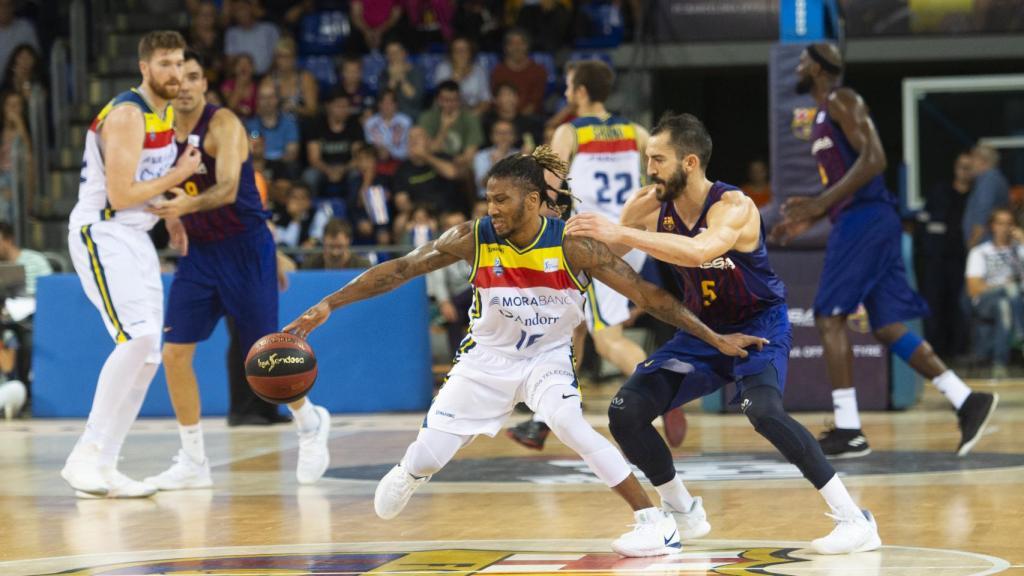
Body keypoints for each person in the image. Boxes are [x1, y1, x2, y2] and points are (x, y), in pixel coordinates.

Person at [284, 146, 765, 557]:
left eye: (501, 199)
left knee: (571, 424)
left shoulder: (574, 246)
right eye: (488, 198)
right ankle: (412, 471)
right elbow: (402, 268)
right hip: (484, 361)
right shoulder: (473, 237)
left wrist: (716, 338)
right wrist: (328, 303)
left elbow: (649, 295)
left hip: (547, 358)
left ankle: (653, 520)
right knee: (427, 456)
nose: (491, 207)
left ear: (533, 201)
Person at [568, 111, 880, 555]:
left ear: (689, 162)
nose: (649, 168)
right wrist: (556, 235)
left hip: (758, 324)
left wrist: (621, 232)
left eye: (658, 159)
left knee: (764, 412)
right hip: (701, 330)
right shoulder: (645, 204)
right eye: (648, 158)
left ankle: (855, 519)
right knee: (626, 410)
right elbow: (604, 255)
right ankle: (682, 512)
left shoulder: (734, 206)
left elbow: (700, 252)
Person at [771, 43, 998, 458]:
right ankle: (966, 399)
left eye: (804, 61)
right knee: (888, 326)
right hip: (863, 218)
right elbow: (848, 182)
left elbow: (874, 161)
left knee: (828, 316)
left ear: (818, 68)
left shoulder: (843, 99)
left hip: (867, 219)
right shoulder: (824, 113)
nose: (798, 68)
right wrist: (809, 216)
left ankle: (849, 429)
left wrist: (820, 204)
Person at [141, 50, 331, 490]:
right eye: (177, 77)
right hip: (200, 255)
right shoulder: (162, 129)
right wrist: (173, 217)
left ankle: (309, 423)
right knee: (174, 353)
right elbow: (167, 181)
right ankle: (193, 460)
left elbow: (227, 188)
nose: (183, 84)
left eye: (193, 76)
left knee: (267, 356)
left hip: (245, 251)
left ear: (206, 84)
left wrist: (183, 206)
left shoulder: (223, 124)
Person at [507, 60, 687, 450]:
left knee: (607, 339)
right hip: (633, 236)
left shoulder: (569, 132)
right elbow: (669, 173)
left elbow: (549, 189)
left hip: (596, 244)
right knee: (571, 326)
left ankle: (664, 391)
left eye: (570, 86)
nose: (567, 93)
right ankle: (543, 422)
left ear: (583, 91)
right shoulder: (635, 131)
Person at [61, 31, 200, 499]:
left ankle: (106, 463)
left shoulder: (162, 114)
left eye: (180, 63)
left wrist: (174, 209)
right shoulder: (126, 113)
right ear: (144, 68)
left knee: (148, 354)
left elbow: (145, 184)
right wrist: (179, 176)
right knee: (137, 336)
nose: (175, 73)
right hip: (102, 230)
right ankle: (84, 454)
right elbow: (120, 195)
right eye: (165, 64)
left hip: (135, 234)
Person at [918, 152, 973, 357]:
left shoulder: (975, 197)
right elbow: (923, 222)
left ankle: (958, 351)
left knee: (958, 306)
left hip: (962, 261)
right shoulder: (940, 191)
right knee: (934, 304)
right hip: (936, 260)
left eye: (968, 167)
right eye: (961, 166)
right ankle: (933, 351)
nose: (964, 171)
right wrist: (928, 250)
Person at [965, 208, 1024, 378]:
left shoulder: (1019, 250)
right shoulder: (980, 252)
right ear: (992, 226)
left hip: (1013, 301)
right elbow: (973, 289)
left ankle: (1000, 363)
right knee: (1009, 289)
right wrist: (1002, 286)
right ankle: (1021, 334)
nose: (1004, 228)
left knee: (1005, 304)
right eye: (1000, 223)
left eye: (1009, 224)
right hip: (985, 301)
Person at [489, 29, 547, 116]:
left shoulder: (538, 71)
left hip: (529, 118)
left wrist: (519, 119)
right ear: (506, 47)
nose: (516, 48)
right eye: (512, 44)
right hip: (502, 117)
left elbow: (535, 102)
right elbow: (495, 100)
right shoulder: (498, 71)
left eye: (521, 44)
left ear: (527, 46)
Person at [963, 144, 1010, 249]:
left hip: (984, 246)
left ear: (982, 161)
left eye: (973, 159)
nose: (970, 164)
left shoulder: (988, 180)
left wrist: (972, 244)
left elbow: (982, 215)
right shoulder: (995, 178)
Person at [434, 37, 492, 116]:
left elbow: (486, 100)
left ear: (470, 52)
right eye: (457, 50)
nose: (461, 53)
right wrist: (458, 74)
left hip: (473, 109)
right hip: (447, 108)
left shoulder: (479, 71)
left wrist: (473, 114)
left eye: (465, 50)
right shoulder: (443, 68)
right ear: (451, 53)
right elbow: (442, 96)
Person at [224, 0, 279, 76]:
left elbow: (278, 56)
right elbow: (231, 61)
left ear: (252, 9)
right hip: (243, 78)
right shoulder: (232, 33)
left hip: (269, 76)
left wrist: (269, 76)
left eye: (243, 8)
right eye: (236, 11)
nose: (241, 13)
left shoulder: (269, 29)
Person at [301, 218, 370, 270]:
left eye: (339, 245)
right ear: (323, 240)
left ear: (349, 240)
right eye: (331, 246)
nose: (335, 249)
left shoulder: (363, 267)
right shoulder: (309, 266)